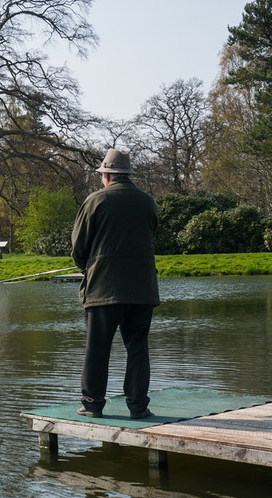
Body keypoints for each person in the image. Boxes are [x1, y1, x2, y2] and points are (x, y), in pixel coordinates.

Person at [70, 148, 160, 419]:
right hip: (142, 288)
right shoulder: (147, 201)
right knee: (137, 348)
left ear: (106, 175)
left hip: (103, 289)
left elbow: (79, 247)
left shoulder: (96, 200)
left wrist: (89, 266)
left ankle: (92, 404)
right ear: (127, 174)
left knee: (97, 348)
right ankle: (138, 407)